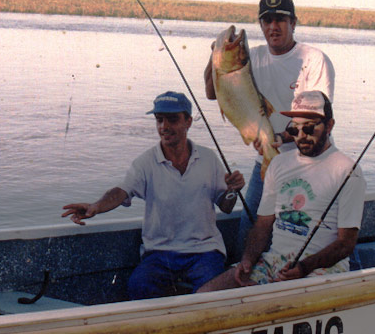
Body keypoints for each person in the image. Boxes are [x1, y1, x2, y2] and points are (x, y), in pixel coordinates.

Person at [61, 91, 245, 300]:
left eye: (172, 119)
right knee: (138, 287)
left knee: (211, 297)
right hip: (159, 253)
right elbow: (121, 191)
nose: (164, 127)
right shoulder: (145, 162)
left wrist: (232, 190)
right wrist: (96, 206)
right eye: (159, 120)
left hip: (205, 251)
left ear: (188, 122)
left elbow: (226, 207)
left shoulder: (208, 158)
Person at [204, 0, 336, 252]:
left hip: (312, 162)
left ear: (293, 23)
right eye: (267, 21)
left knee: (319, 231)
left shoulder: (314, 59)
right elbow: (212, 93)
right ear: (261, 25)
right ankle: (249, 282)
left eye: (280, 20)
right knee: (249, 232)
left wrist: (281, 138)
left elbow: (319, 117)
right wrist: (214, 56)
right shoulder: (251, 57)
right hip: (267, 160)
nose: (273, 27)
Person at [198, 91, 364, 291]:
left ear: (329, 126)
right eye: (295, 130)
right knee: (206, 294)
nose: (301, 136)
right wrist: (248, 260)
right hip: (274, 261)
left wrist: (303, 268)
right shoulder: (278, 163)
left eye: (309, 128)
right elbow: (262, 226)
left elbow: (346, 243)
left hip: (322, 268)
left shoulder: (347, 170)